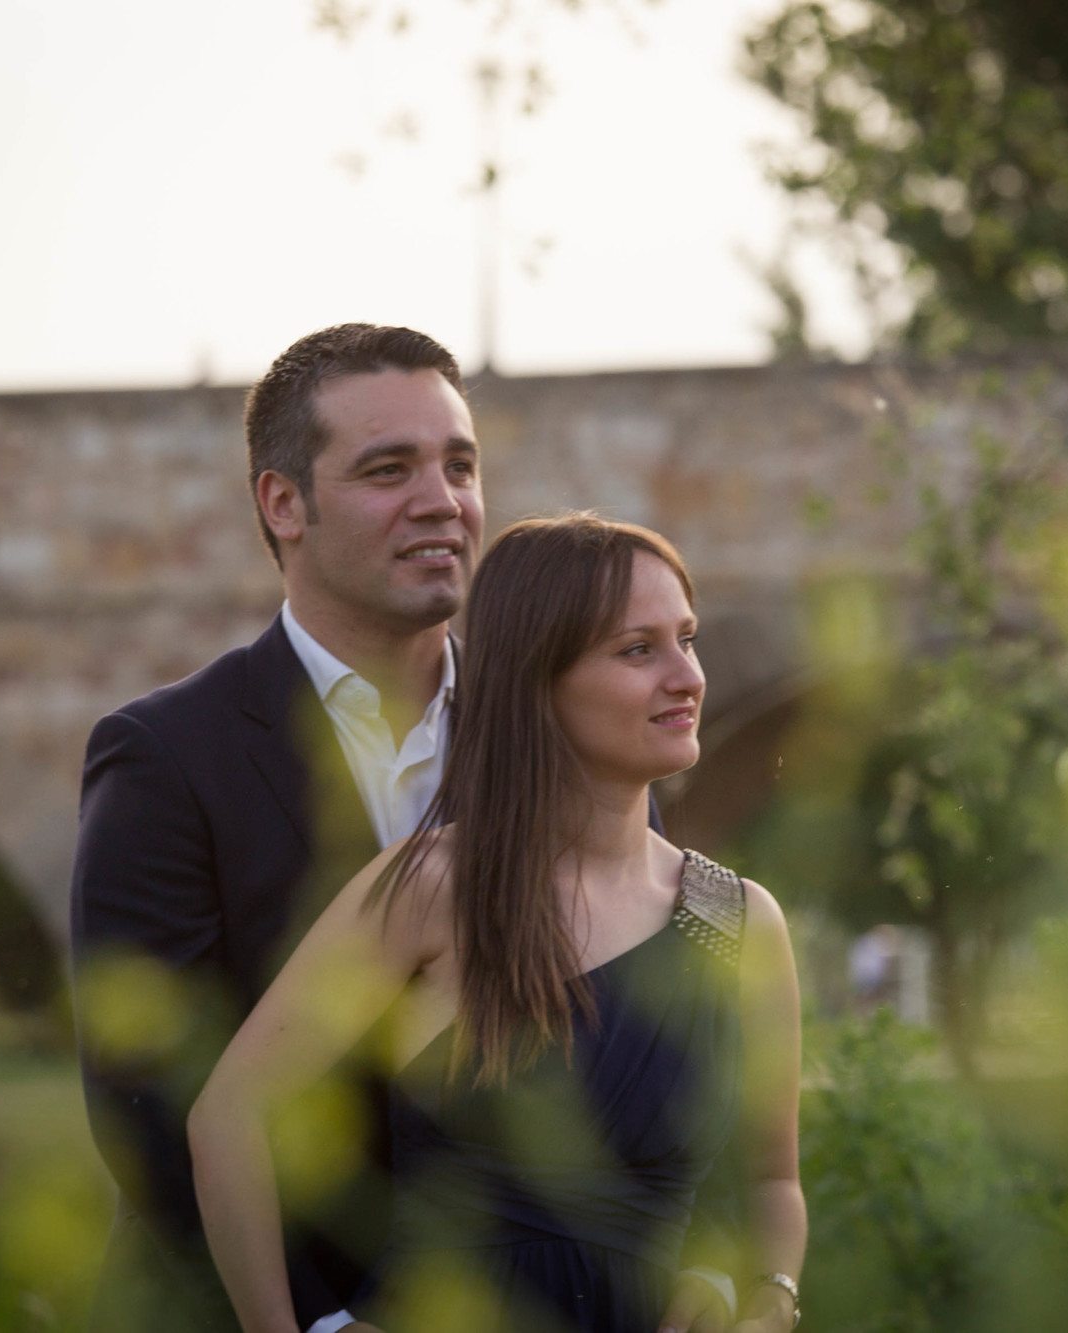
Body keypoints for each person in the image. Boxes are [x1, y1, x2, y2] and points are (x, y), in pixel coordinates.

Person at [71, 326, 741, 1333]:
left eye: (459, 465)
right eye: (389, 469)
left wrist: (706, 1261)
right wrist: (323, 1324)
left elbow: (663, 1050)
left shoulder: (574, 732)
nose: (443, 500)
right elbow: (151, 1106)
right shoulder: (164, 758)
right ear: (282, 503)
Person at [187, 515, 807, 1333]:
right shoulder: (432, 887)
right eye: (637, 649)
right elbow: (227, 1115)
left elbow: (771, 1181)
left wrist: (765, 1298)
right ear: (536, 679)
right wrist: (303, 1331)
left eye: (685, 639)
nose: (687, 676)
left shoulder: (739, 921)